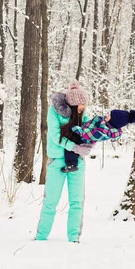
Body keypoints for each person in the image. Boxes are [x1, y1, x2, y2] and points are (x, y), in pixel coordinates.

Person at [35, 81, 94, 243]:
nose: (84, 107)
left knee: (77, 201)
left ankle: (74, 238)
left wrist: (88, 145)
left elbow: (89, 134)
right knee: (50, 201)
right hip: (56, 160)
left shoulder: (84, 115)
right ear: (73, 104)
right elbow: (55, 135)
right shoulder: (54, 111)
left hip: (78, 162)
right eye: (81, 104)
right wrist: (75, 147)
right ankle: (41, 237)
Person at [61, 109, 135, 173]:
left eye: (109, 116)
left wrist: (76, 129)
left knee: (71, 147)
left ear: (114, 121)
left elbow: (88, 134)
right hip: (84, 133)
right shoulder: (106, 124)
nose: (107, 115)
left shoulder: (105, 132)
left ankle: (72, 164)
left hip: (84, 139)